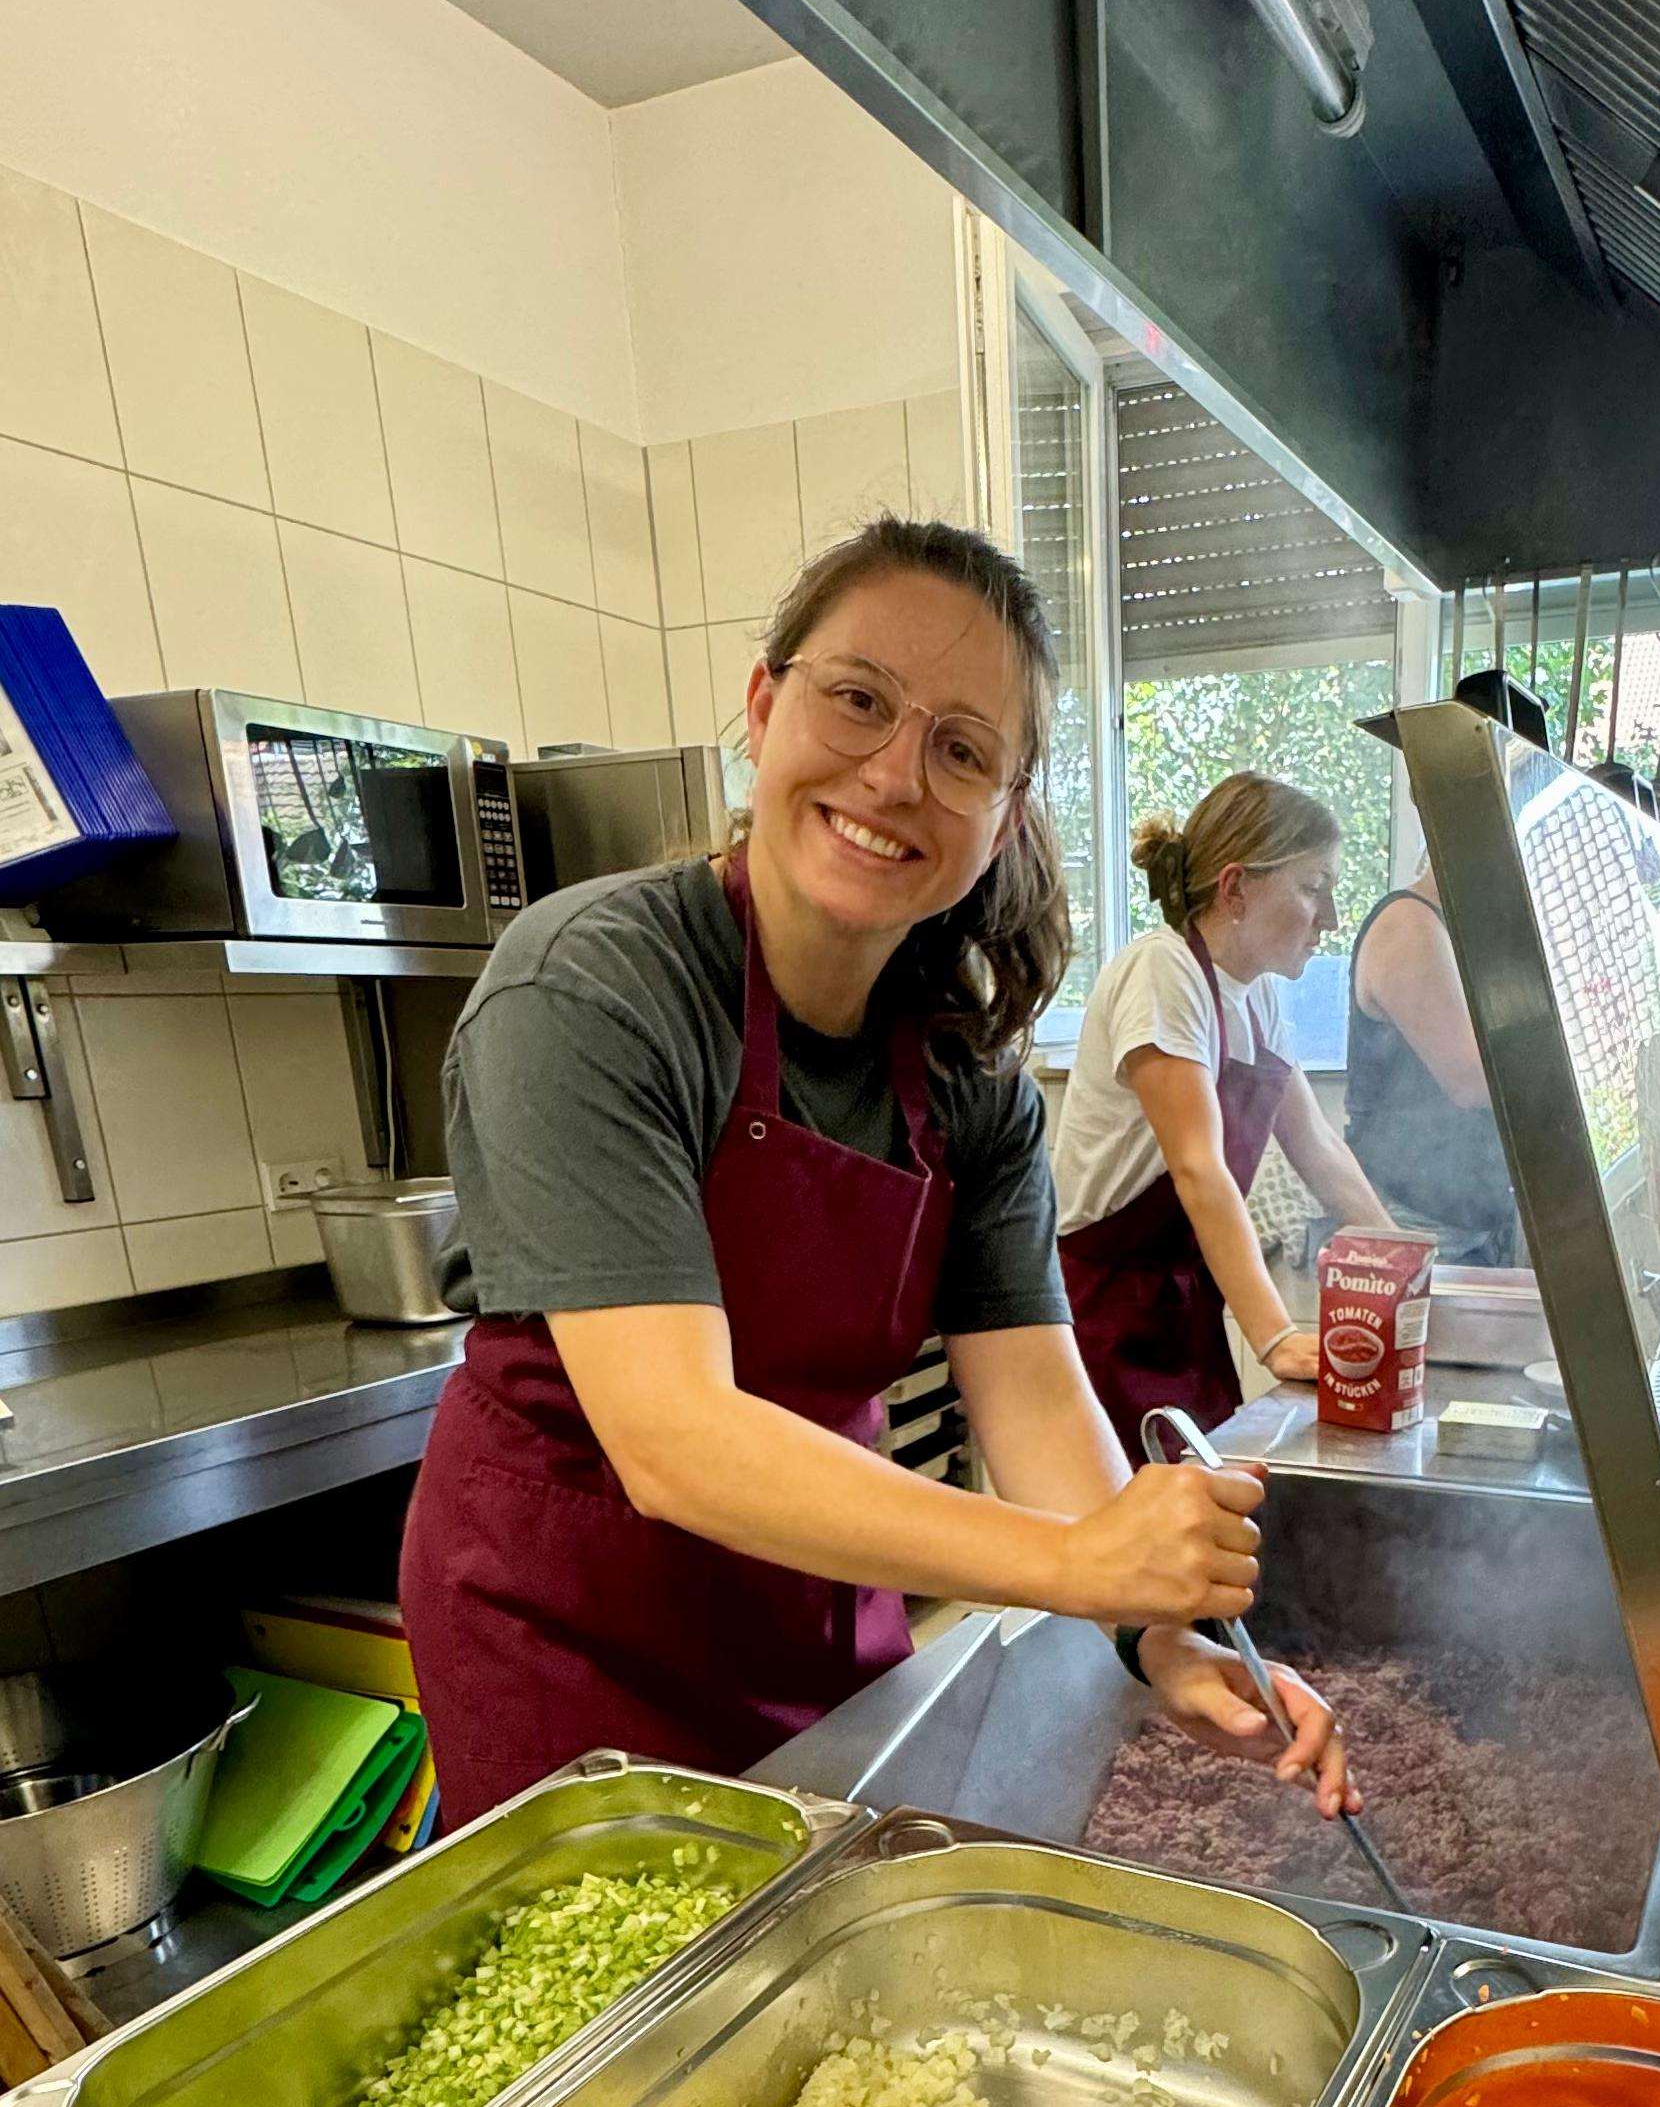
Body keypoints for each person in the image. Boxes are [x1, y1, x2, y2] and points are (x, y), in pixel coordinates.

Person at [400, 515, 1355, 1832]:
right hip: (572, 1644)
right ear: (763, 706)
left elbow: (1035, 1400)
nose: (896, 775)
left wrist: (1160, 1642)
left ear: (1003, 817)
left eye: (962, 750)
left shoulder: (968, 1074)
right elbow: (673, 1440)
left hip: (817, 1625)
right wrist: (1082, 1562)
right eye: (858, 700)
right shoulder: (592, 985)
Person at [1054, 774, 1393, 1458]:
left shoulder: (1257, 997)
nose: (1329, 919)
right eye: (1313, 887)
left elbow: (1318, 1148)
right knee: (1135, 1504)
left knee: (1204, 1492)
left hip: (1182, 1306)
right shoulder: (1162, 972)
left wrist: (1405, 1263)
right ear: (1235, 888)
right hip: (1106, 1310)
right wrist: (1275, 1337)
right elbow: (1198, 1168)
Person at [1344, 857, 1524, 1265]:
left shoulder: (1463, 933)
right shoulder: (1409, 924)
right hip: (1412, 1224)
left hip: (1476, 1225)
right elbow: (1471, 1081)